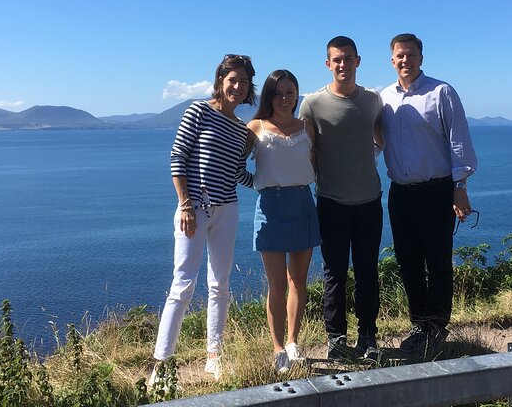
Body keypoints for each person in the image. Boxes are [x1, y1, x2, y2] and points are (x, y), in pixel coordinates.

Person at [150, 54, 257, 384]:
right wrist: (184, 204)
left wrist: (272, 182)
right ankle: (161, 366)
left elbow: (237, 173)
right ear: (220, 81)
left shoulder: (241, 130)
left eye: (243, 81)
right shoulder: (198, 111)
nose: (237, 87)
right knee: (182, 286)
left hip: (227, 211)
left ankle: (214, 356)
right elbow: (178, 157)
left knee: (220, 285)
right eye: (232, 80)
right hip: (193, 210)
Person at [380, 33, 478, 353]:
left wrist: (460, 188)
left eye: (411, 54)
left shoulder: (441, 92)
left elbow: (458, 141)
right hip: (400, 194)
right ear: (392, 60)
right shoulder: (384, 98)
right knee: (408, 262)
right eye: (400, 55)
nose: (405, 60)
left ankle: (436, 327)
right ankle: (419, 324)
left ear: (421, 58)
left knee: (437, 262)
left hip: (437, 190)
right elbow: (374, 142)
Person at [299, 36, 383, 361]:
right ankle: (336, 339)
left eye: (348, 58)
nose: (343, 64)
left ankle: (368, 336)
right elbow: (307, 152)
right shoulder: (312, 103)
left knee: (367, 272)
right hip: (331, 202)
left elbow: (381, 137)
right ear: (328, 63)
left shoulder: (372, 101)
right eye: (337, 59)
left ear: (357, 61)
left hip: (369, 201)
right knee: (334, 274)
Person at [247, 70, 320, 374]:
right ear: (268, 96)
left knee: (298, 281)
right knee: (276, 284)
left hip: (302, 203)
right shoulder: (256, 127)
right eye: (278, 93)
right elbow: (234, 165)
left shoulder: (307, 127)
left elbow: (315, 166)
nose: (285, 98)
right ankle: (277, 348)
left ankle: (292, 342)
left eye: (290, 92)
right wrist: (257, 183)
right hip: (271, 207)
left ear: (297, 94)